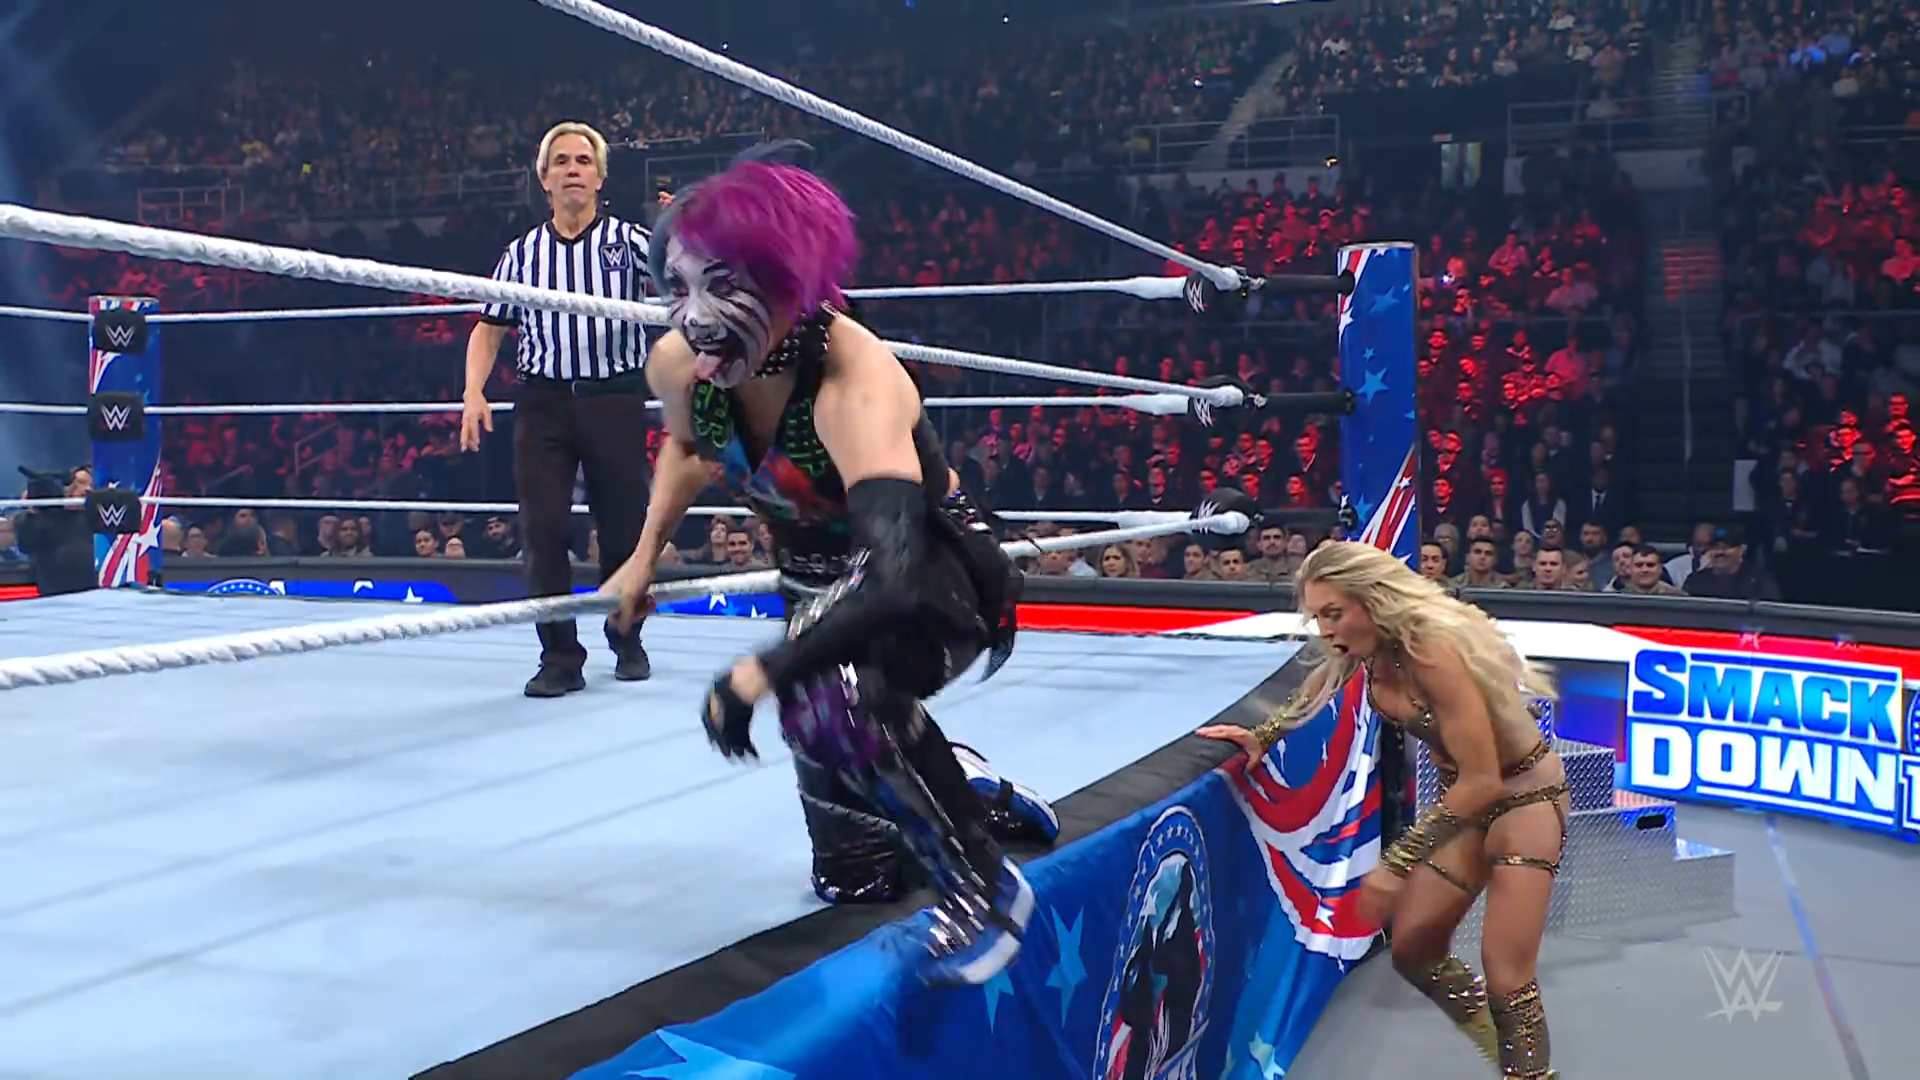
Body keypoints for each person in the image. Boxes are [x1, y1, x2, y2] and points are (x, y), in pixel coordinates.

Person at [603, 150, 1056, 986]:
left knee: (836, 697)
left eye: (722, 287)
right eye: (678, 288)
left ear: (787, 282)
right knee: (853, 876)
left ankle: (985, 886)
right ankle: (970, 783)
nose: (694, 317)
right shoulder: (680, 364)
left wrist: (760, 672)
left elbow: (892, 573)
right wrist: (642, 560)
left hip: (935, 575)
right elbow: (689, 450)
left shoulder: (855, 379)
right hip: (813, 584)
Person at [1199, 542, 1565, 1080]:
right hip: (1464, 801)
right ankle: (1511, 1053)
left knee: (1507, 975)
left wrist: (1395, 864)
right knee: (1414, 949)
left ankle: (1527, 1072)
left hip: (1522, 799)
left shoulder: (1431, 652)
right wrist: (1264, 735)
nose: (1325, 630)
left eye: (1333, 613)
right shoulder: (1368, 648)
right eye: (1317, 617)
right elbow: (1320, 685)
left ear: (1371, 601)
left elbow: (1483, 779)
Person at [464, 121, 658, 697]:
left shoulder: (631, 241)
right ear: (544, 178)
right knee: (542, 528)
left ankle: (627, 637)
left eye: (583, 161)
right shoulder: (522, 253)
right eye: (562, 161)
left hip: (614, 397)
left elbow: (687, 287)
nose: (573, 169)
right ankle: (559, 657)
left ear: (600, 178)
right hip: (543, 403)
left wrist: (681, 233)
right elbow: (489, 327)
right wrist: (474, 392)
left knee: (623, 527)